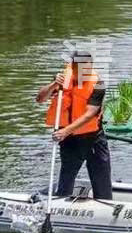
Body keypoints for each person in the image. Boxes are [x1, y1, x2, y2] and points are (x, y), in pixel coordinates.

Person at [36, 51, 113, 200]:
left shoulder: (98, 85)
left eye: (89, 69)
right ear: (74, 67)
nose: (86, 73)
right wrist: (53, 85)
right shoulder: (63, 79)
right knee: (67, 176)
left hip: (93, 138)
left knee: (101, 180)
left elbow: (90, 113)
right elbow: (40, 98)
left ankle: (104, 204)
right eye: (82, 70)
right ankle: (61, 203)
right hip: (70, 140)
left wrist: (65, 131)